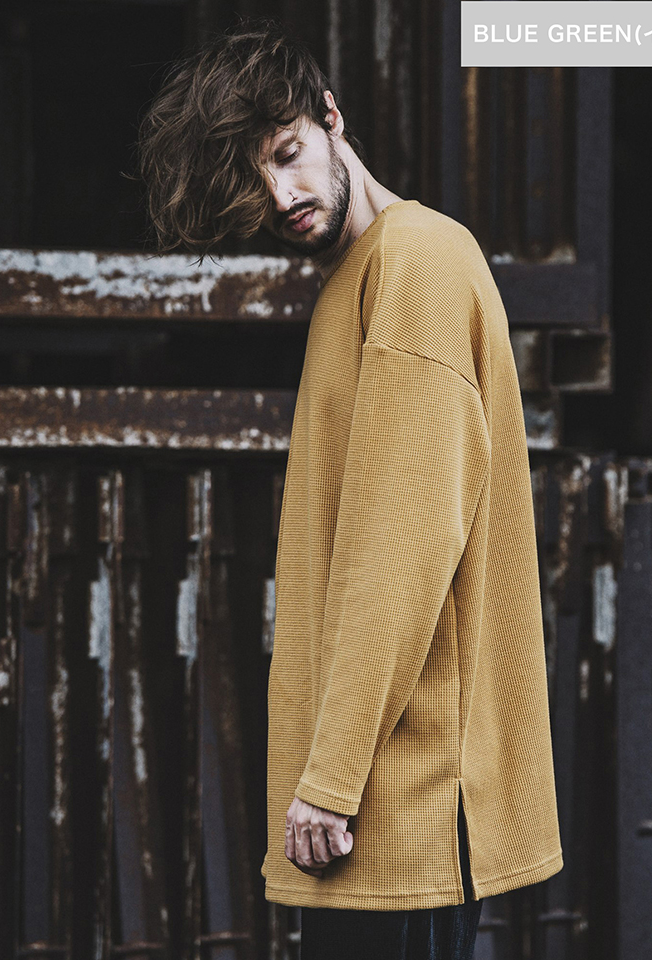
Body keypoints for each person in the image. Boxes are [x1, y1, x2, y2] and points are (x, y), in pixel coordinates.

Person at [137, 19, 563, 960]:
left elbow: (403, 545)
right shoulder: (355, 279)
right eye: (252, 180)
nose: (282, 196)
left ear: (331, 117)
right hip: (378, 806)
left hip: (402, 801)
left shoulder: (415, 262)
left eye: (287, 153)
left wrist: (330, 779)